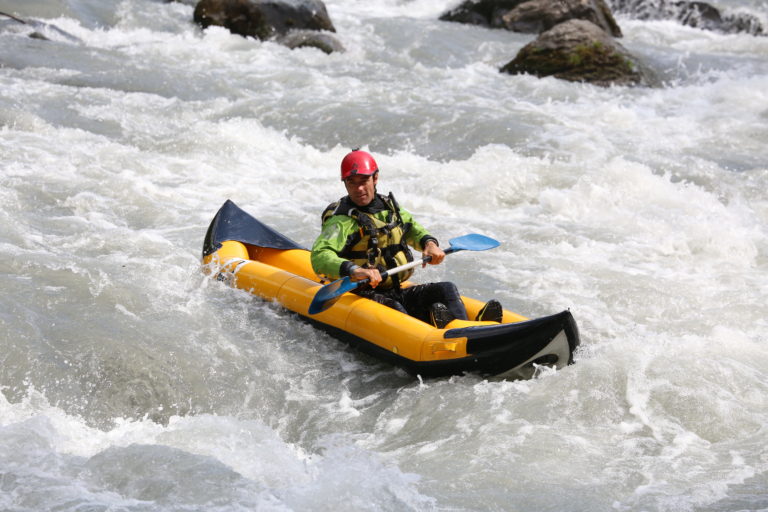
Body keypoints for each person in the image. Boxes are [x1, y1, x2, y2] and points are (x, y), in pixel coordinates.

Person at [310, 149, 502, 328]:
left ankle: (467, 328)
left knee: (446, 289)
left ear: (375, 178)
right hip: (362, 294)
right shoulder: (341, 221)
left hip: (394, 289)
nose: (359, 188)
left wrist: (430, 244)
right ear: (345, 183)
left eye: (364, 180)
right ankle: (439, 330)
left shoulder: (389, 208)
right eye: (352, 182)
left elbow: (413, 229)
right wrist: (356, 270)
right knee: (396, 309)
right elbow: (320, 255)